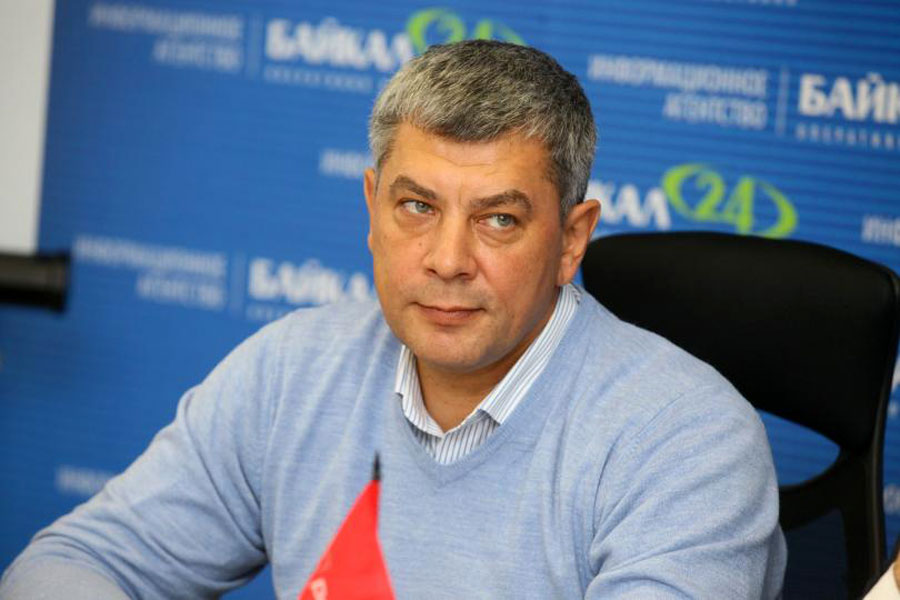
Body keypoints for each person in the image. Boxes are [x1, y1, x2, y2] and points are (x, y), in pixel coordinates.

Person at [0, 40, 786, 598]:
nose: (448, 259)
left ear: (571, 240)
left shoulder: (688, 439)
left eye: (499, 220)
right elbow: (81, 560)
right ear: (372, 208)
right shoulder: (292, 370)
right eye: (417, 207)